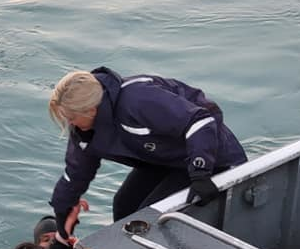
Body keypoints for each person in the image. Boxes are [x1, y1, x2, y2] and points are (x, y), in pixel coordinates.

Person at [47, 67, 248, 232]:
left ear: (91, 110)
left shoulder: (138, 99)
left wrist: (200, 172)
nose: (69, 123)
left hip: (206, 156)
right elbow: (76, 172)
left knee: (148, 216)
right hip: (162, 160)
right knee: (124, 204)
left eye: (71, 118)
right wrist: (63, 209)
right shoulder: (85, 130)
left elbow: (200, 121)